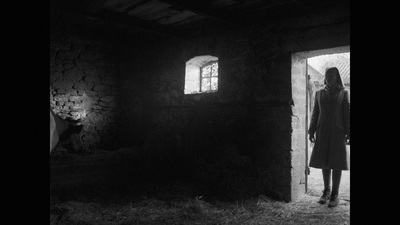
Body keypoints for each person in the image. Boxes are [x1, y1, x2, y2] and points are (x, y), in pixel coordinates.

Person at [308, 67, 350, 207]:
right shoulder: (319, 93)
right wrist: (311, 130)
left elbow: (347, 115)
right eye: (327, 76)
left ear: (337, 77)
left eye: (332, 76)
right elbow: (315, 113)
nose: (329, 78)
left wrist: (349, 133)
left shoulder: (344, 93)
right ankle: (326, 191)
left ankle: (335, 194)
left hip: (338, 133)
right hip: (322, 132)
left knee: (336, 162)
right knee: (324, 162)